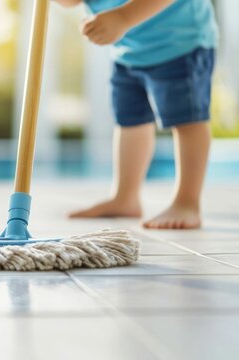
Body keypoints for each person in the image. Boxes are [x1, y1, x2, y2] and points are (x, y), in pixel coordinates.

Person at [54, 0, 218, 229]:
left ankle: (187, 202)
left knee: (188, 121)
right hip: (127, 52)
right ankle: (125, 197)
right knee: (130, 121)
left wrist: (123, 18)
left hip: (179, 42)